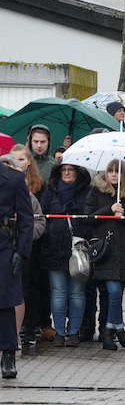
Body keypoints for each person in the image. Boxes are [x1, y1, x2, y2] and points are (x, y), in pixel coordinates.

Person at [84, 159, 125, 351]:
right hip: (104, 250)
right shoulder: (96, 191)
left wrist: (123, 216)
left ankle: (111, 330)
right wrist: (109, 210)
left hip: (124, 250)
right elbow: (88, 218)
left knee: (117, 292)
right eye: (110, 171)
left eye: (117, 171)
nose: (113, 175)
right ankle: (117, 330)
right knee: (113, 291)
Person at [39, 163, 92, 346]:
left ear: (78, 172)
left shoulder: (87, 191)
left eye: (71, 169)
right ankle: (60, 332)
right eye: (64, 169)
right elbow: (42, 217)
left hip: (78, 249)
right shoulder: (50, 191)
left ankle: (74, 332)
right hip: (54, 249)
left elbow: (90, 218)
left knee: (77, 293)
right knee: (58, 293)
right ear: (58, 172)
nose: (67, 173)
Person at [7, 146, 48, 352]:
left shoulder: (28, 194)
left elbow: (38, 222)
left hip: (22, 252)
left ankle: (19, 334)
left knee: (20, 293)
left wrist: (24, 238)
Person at [0, 156, 33, 379]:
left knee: (4, 304)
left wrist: (21, 251)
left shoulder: (13, 179)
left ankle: (9, 353)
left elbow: (26, 219)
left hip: (3, 247)